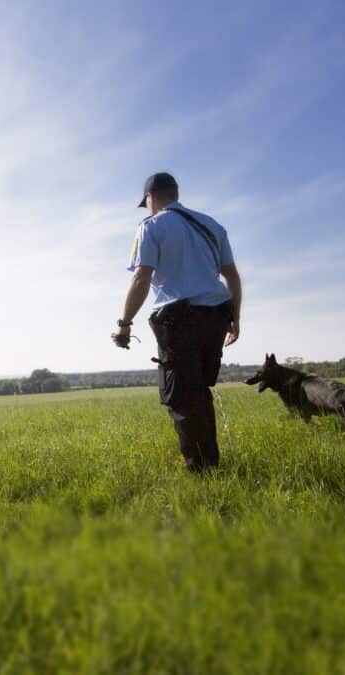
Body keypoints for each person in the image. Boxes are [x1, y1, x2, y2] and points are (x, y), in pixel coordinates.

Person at [113, 172, 242, 473]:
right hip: (216, 316)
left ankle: (202, 472)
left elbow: (142, 277)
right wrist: (235, 318)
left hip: (179, 319)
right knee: (199, 391)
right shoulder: (212, 225)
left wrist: (124, 323)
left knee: (182, 397)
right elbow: (231, 275)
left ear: (150, 198)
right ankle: (211, 465)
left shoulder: (152, 226)